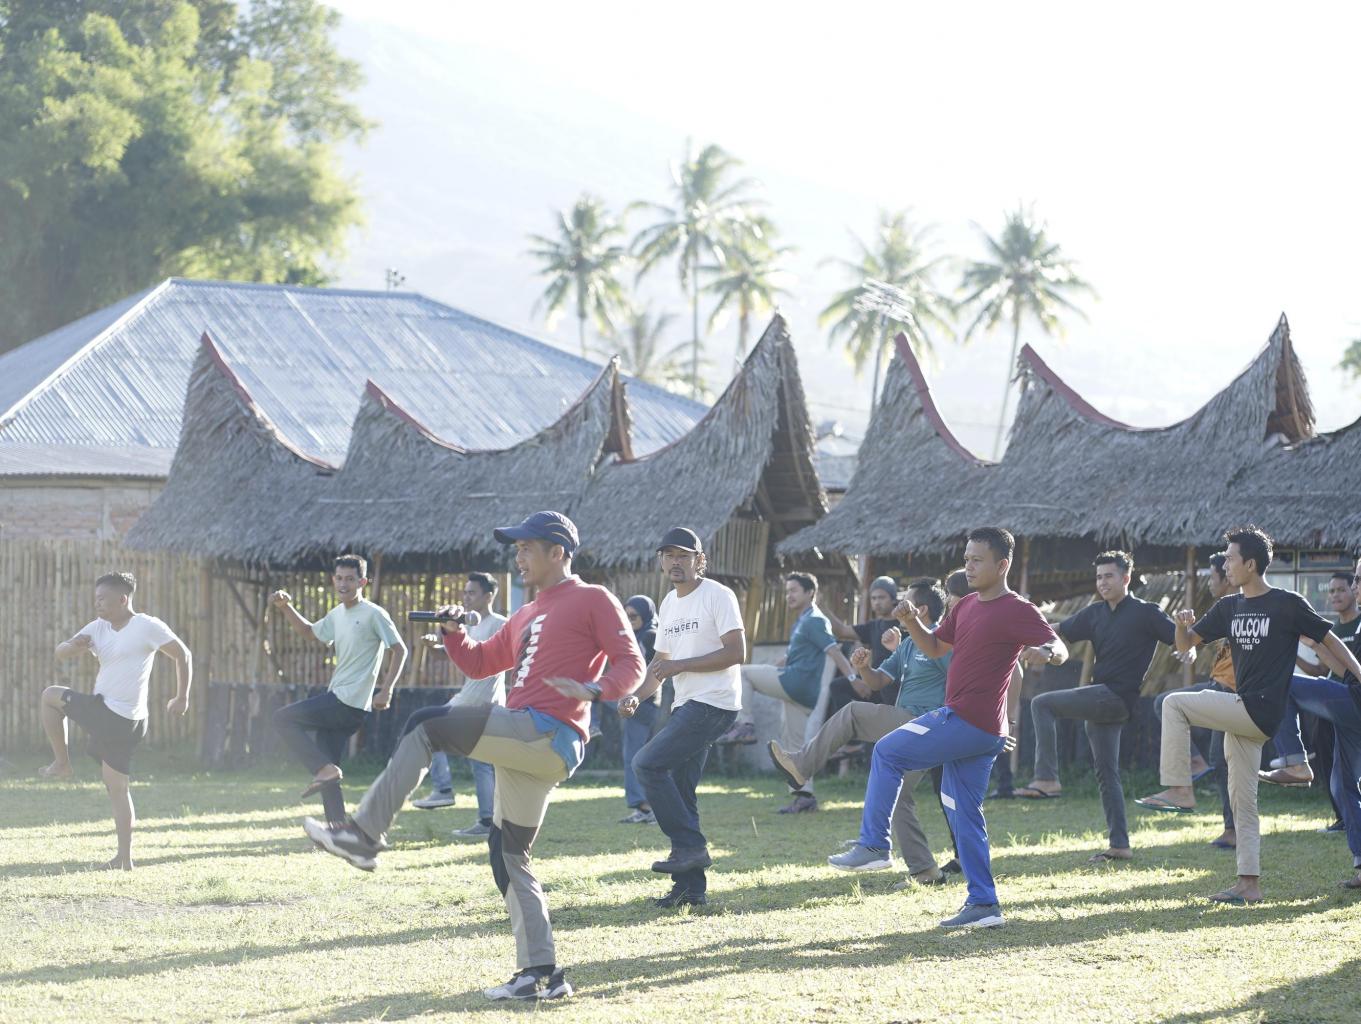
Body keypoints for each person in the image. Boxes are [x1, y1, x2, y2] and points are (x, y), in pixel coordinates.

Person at [304, 511, 645, 1003]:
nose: (518, 557)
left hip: (546, 732)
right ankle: (539, 974)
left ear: (558, 553)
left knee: (426, 725)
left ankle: (362, 835)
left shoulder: (593, 598)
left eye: (527, 548)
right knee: (508, 855)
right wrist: (454, 634)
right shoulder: (526, 613)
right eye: (516, 549)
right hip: (526, 745)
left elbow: (632, 662)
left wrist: (596, 689)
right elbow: (483, 662)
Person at [827, 527, 1064, 929]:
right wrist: (910, 622)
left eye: (977, 560)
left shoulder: (1017, 609)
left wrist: (1047, 653)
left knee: (887, 751)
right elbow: (935, 646)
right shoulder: (966, 605)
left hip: (969, 721)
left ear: (1002, 565)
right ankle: (984, 904)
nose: (968, 567)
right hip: (980, 731)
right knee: (963, 813)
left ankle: (875, 845)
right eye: (966, 559)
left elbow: (1058, 646)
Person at [1136, 525, 1361, 904]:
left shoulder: (1287, 603)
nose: (1225, 565)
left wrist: (1359, 673)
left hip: (1260, 707)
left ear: (1251, 564)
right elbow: (1186, 644)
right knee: (1243, 799)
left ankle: (1180, 789)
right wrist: (1181, 626)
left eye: (1230, 558)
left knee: (1173, 703)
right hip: (1244, 714)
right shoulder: (1228, 607)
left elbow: (1329, 640)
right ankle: (1248, 883)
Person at [769, 578, 958, 887]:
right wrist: (865, 668)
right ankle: (926, 870)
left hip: (926, 723)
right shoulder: (908, 644)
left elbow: (961, 680)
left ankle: (801, 765)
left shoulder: (941, 641)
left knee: (853, 712)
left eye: (905, 601)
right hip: (910, 729)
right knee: (897, 795)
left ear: (921, 609)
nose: (897, 607)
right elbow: (877, 682)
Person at [1015, 551, 1179, 864]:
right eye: (1099, 577)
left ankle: (1047, 778)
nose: (1102, 582)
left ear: (1126, 578)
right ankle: (1120, 845)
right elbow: (1058, 629)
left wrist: (1189, 645)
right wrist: (1031, 636)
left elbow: (1180, 639)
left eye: (1109, 576)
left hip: (1117, 698)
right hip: (1100, 699)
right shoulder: (1095, 613)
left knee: (1042, 703)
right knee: (1106, 774)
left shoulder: (1147, 613)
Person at [623, 527, 746, 907]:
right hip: (686, 704)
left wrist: (682, 666)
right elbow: (660, 663)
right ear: (661, 561)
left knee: (647, 764)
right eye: (669, 555)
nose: (675, 562)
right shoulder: (669, 603)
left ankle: (690, 847)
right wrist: (637, 695)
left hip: (715, 703)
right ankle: (690, 890)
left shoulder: (718, 595)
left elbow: (736, 652)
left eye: (683, 555)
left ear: (699, 560)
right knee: (680, 790)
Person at [39, 572, 192, 870]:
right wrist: (74, 646)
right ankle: (125, 858)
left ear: (123, 599)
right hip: (127, 720)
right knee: (118, 789)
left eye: (102, 599)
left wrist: (182, 697)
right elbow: (60, 652)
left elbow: (182, 655)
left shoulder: (146, 626)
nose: (97, 604)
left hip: (115, 716)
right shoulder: (98, 627)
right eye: (95, 599)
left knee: (49, 696)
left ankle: (62, 763)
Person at [271, 555, 407, 827]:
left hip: (348, 702)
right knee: (329, 770)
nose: (344, 584)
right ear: (334, 580)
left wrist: (386, 690)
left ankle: (323, 770)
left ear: (362, 582)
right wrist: (286, 608)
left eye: (350, 579)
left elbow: (400, 649)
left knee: (281, 718)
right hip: (342, 701)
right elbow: (310, 632)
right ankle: (337, 829)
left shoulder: (374, 614)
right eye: (340, 578)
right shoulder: (337, 614)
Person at [718, 572, 856, 814]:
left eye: (793, 590)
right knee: (795, 749)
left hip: (796, 683)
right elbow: (789, 657)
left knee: (742, 673)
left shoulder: (815, 619)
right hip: (803, 692)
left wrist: (854, 679)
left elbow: (834, 652)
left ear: (810, 593)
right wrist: (771, 670)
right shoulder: (802, 621)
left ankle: (745, 725)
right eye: (787, 591)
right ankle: (804, 797)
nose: (788, 595)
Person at [1151, 552, 1239, 850]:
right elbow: (1192, 639)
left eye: (1213, 577)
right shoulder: (1225, 609)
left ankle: (1233, 828)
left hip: (1230, 691)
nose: (1210, 583)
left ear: (1227, 578)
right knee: (1165, 702)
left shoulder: (1242, 607)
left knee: (1223, 761)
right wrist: (1189, 647)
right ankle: (1195, 763)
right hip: (1217, 686)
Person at [411, 572, 506, 839]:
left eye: (472, 593)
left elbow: (489, 656)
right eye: (465, 592)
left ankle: (443, 790)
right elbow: (455, 653)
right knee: (481, 762)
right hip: (479, 701)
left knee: (425, 726)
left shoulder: (500, 625)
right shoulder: (465, 623)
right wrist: (435, 647)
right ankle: (487, 821)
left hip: (478, 701)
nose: (465, 597)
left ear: (489, 596)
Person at [1259, 572, 1359, 792]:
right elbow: (1320, 670)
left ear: (1353, 591)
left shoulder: (1358, 625)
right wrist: (1293, 652)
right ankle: (1303, 762)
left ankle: (1295, 760)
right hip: (1335, 698)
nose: (1335, 595)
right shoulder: (1333, 629)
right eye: (1331, 591)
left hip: (1351, 697)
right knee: (1337, 774)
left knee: (1283, 686)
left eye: (1341, 589)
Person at [821, 576, 903, 712]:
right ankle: (848, 724)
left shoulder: (904, 625)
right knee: (838, 686)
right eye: (873, 598)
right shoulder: (873, 626)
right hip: (874, 681)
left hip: (894, 684)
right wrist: (822, 607)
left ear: (893, 599)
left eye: (882, 597)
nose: (877, 602)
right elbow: (841, 631)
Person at [615, 595, 662, 824]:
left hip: (643, 703)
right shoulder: (638, 636)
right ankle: (644, 808)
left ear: (645, 615)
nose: (628, 620)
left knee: (634, 757)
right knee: (637, 756)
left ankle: (647, 807)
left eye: (633, 616)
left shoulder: (650, 636)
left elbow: (651, 671)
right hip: (637, 702)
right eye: (625, 616)